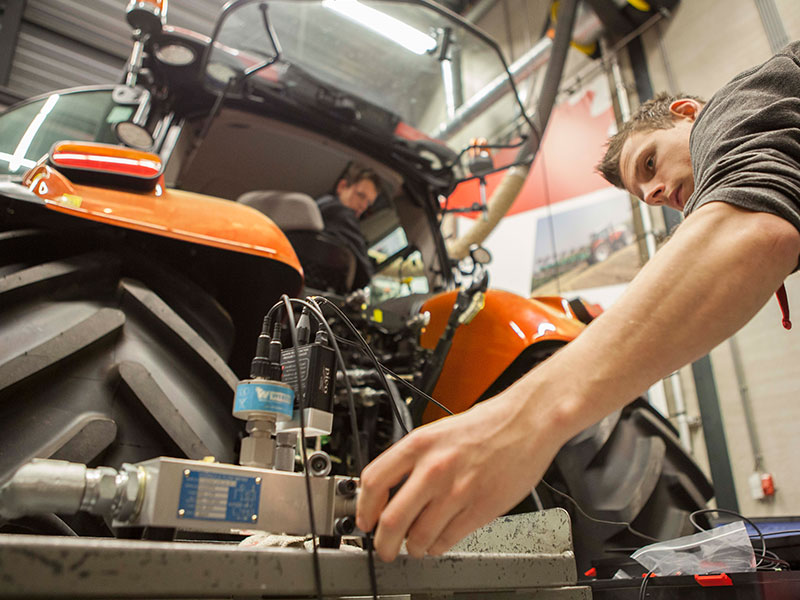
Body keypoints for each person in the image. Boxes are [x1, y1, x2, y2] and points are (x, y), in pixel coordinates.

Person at [356, 42, 800, 561]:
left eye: (650, 162)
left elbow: (751, 229)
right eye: (644, 193)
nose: (655, 194)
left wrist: (518, 425)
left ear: (687, 113)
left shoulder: (737, 106)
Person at [316, 164, 381, 289]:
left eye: (368, 203)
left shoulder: (321, 204)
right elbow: (365, 275)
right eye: (361, 195)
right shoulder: (340, 214)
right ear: (342, 186)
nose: (363, 206)